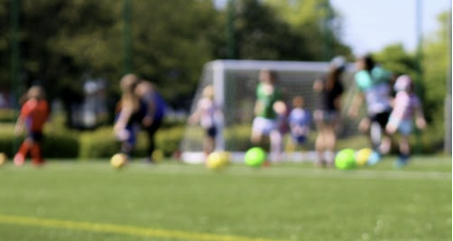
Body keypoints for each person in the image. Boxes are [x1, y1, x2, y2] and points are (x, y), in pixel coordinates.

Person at [348, 54, 393, 163]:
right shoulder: (360, 77)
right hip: (373, 109)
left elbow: (392, 78)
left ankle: (386, 150)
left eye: (359, 62)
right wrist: (354, 108)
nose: (357, 65)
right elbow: (361, 94)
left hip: (384, 107)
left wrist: (389, 93)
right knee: (365, 128)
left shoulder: (379, 72)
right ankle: (377, 149)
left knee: (387, 132)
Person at [385, 75, 426, 168]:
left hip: (406, 120)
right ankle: (385, 149)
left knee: (404, 140)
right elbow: (395, 104)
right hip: (395, 118)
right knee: (389, 133)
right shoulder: (400, 95)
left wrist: (420, 119)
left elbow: (418, 110)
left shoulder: (414, 98)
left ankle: (404, 157)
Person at [313, 56, 346, 167]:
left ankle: (319, 160)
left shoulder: (324, 78)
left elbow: (316, 87)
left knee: (321, 135)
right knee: (331, 134)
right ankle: (331, 159)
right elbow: (338, 102)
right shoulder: (339, 84)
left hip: (320, 111)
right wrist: (339, 115)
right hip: (331, 112)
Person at [251, 69, 284, 164]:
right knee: (256, 139)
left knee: (275, 139)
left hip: (272, 118)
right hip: (261, 117)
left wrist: (280, 108)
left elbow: (278, 103)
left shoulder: (277, 89)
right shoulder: (259, 87)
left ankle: (274, 157)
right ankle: (259, 155)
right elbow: (259, 100)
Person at [13, 86, 50, 166]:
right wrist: (19, 127)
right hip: (30, 129)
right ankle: (19, 157)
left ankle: (37, 160)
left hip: (39, 129)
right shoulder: (28, 105)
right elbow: (22, 117)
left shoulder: (44, 104)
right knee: (29, 142)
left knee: (36, 144)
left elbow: (46, 116)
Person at [134, 80, 167, 163]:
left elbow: (152, 106)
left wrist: (149, 117)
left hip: (154, 119)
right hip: (157, 118)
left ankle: (150, 157)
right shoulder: (153, 94)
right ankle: (150, 157)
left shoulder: (148, 95)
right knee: (151, 138)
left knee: (150, 138)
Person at [189, 85, 222, 157]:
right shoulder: (203, 102)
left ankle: (212, 154)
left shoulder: (215, 102)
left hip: (213, 124)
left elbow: (219, 111)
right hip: (206, 124)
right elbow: (199, 112)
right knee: (207, 139)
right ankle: (206, 154)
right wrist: (194, 118)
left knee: (213, 140)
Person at [113, 74, 141, 158]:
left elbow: (127, 112)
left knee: (128, 141)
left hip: (127, 123)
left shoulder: (131, 98)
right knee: (127, 141)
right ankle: (125, 155)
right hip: (127, 123)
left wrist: (120, 124)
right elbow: (126, 112)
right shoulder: (130, 97)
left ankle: (125, 156)